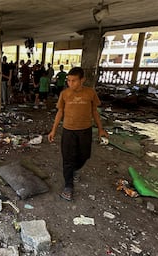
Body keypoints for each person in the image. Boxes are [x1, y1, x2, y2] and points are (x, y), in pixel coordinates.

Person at [48, 67, 108, 201]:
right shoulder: (64, 94)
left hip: (85, 130)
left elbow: (94, 112)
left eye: (74, 81)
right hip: (68, 131)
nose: (70, 83)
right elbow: (60, 112)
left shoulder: (90, 93)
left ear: (82, 80)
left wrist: (100, 129)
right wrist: (53, 130)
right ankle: (68, 186)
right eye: (68, 81)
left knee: (85, 155)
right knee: (67, 159)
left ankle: (75, 169)